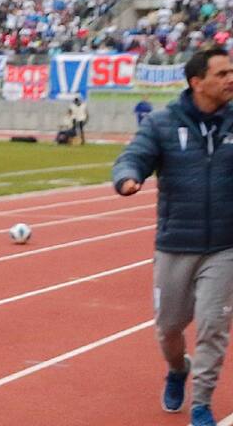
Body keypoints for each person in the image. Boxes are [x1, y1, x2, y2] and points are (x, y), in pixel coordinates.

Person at [112, 47, 233, 426]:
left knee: (213, 326)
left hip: (225, 246)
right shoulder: (163, 123)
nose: (231, 79)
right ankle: (178, 368)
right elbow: (134, 155)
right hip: (176, 244)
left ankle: (201, 404)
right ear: (197, 82)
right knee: (168, 329)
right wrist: (128, 177)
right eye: (222, 73)